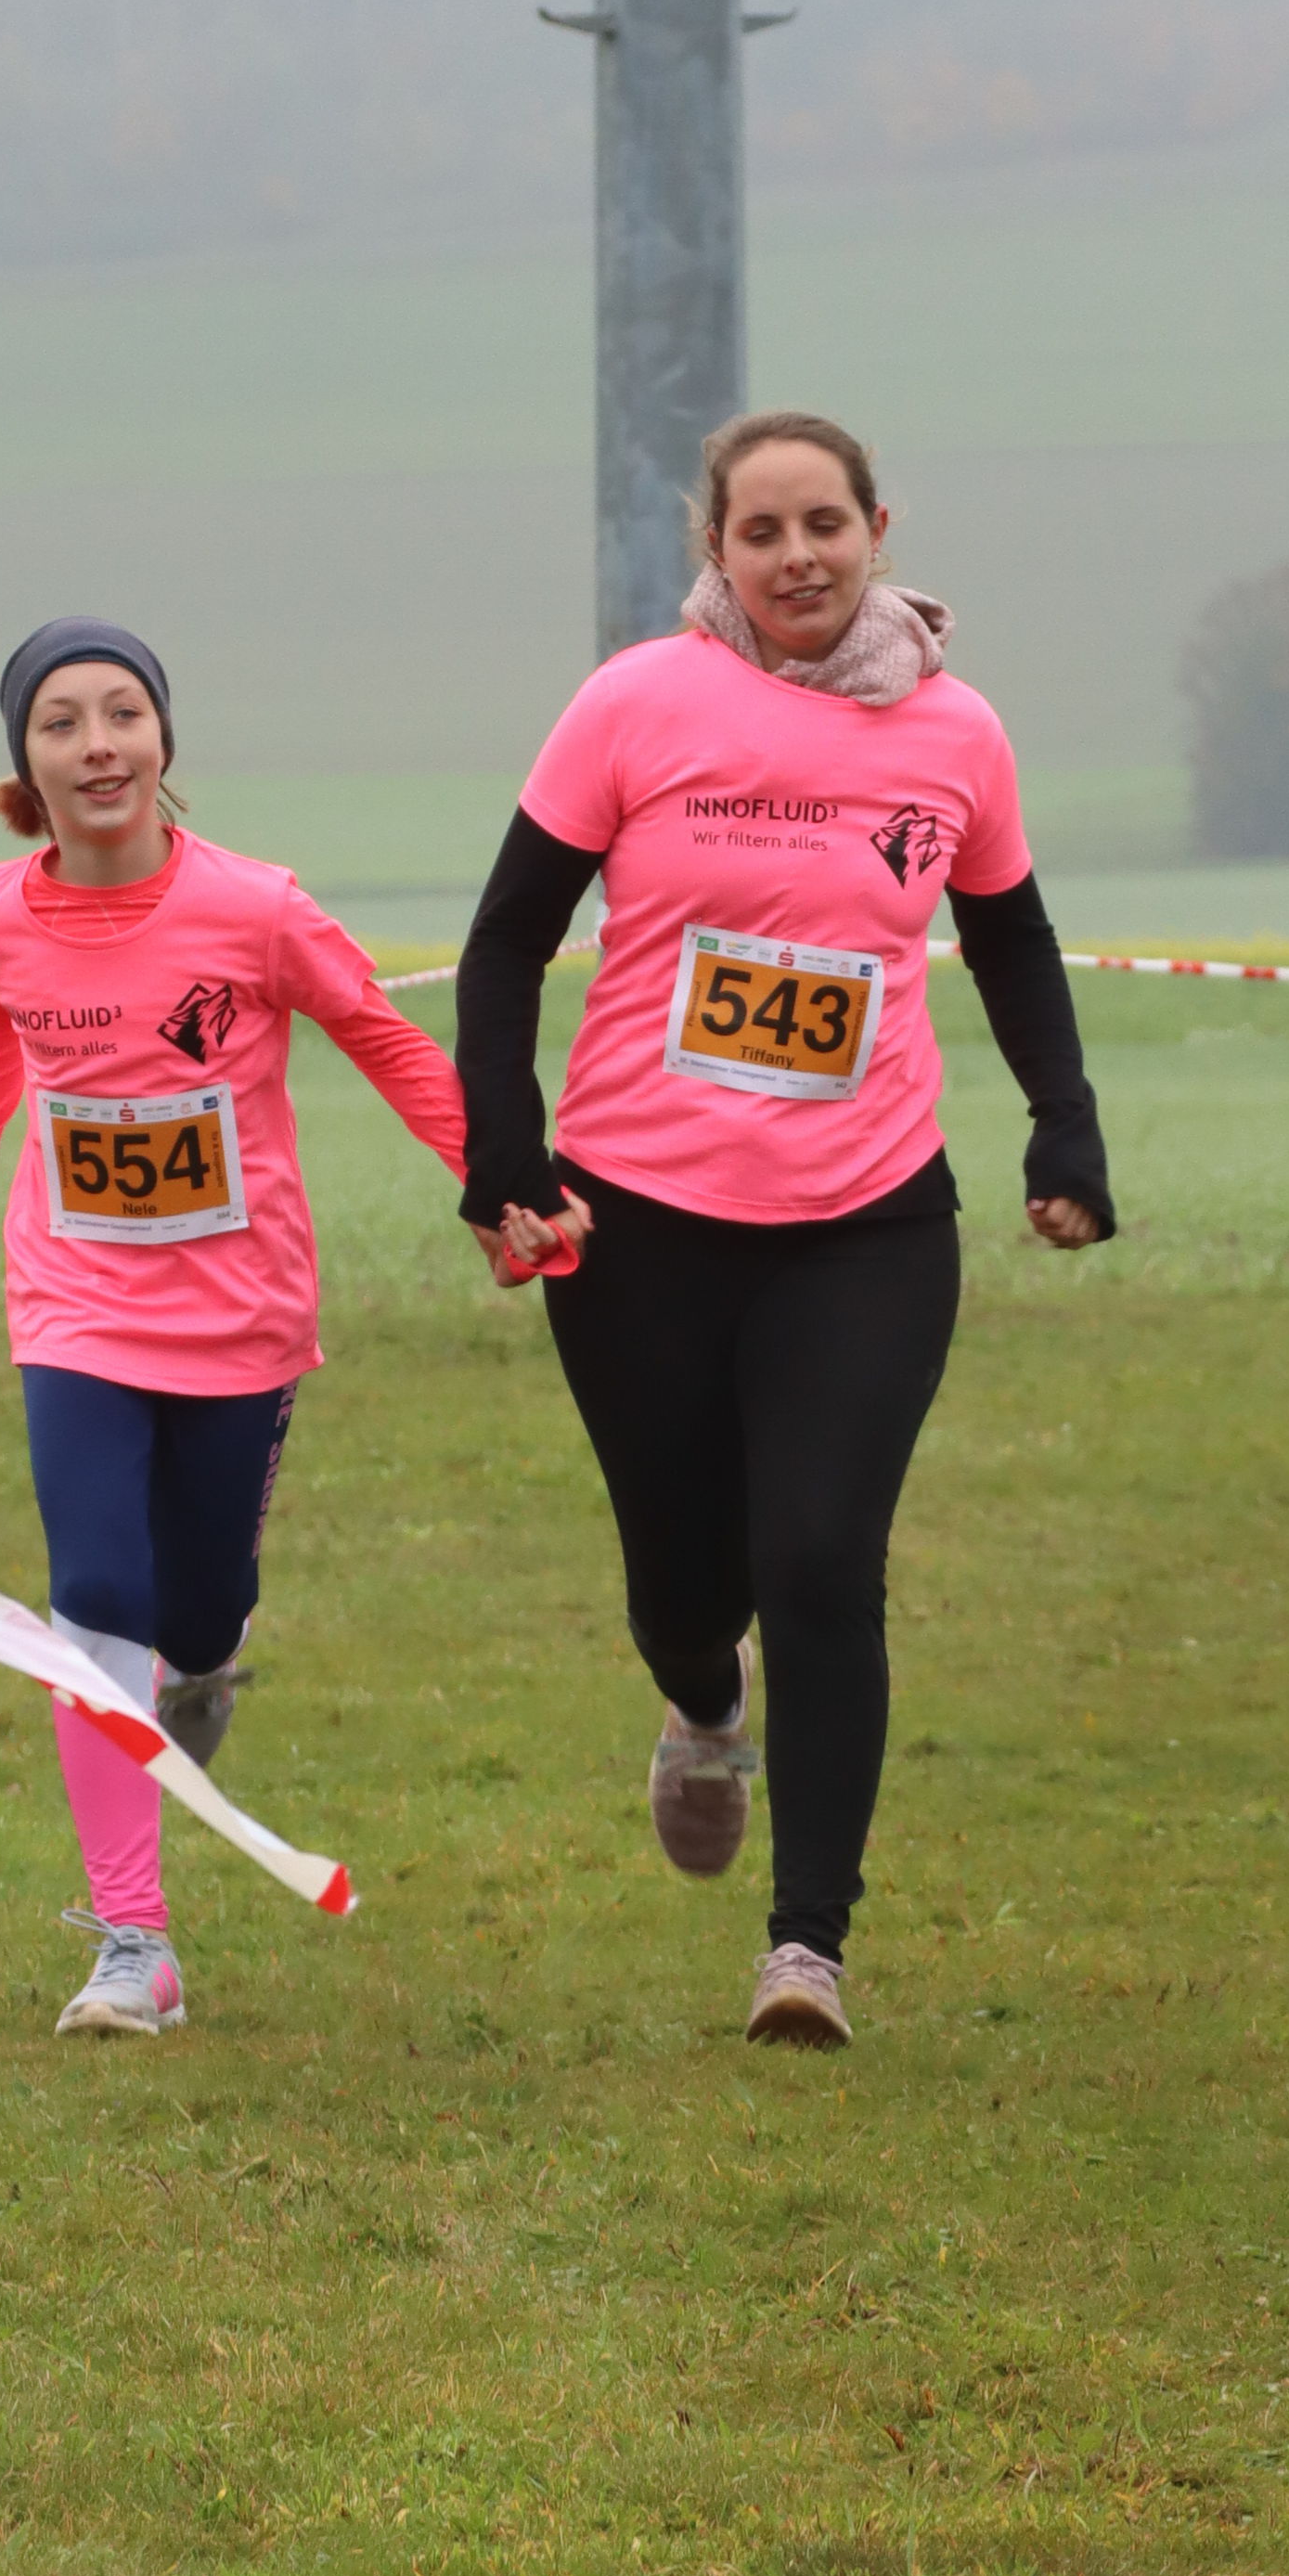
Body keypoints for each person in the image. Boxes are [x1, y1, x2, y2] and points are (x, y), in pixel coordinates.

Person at [456, 411, 1113, 2049]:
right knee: (684, 1586)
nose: (798, 556)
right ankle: (704, 1704)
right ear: (717, 552)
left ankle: (807, 1946)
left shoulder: (955, 733)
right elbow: (507, 940)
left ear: (879, 531)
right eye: (762, 532)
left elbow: (1012, 940)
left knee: (820, 1560)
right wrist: (504, 1150)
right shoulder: (637, 702)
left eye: (826, 523)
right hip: (638, 1223)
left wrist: (1063, 1120)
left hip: (864, 1224)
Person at [0, 618, 465, 2039]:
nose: (98, 746)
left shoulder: (257, 909)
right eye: (62, 723)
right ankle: (133, 1944)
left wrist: (496, 1180)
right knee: (94, 1595)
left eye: (122, 715)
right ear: (25, 762)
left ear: (162, 739)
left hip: (239, 1312)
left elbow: (385, 1037)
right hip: (74, 1304)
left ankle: (202, 1661)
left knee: (194, 1610)